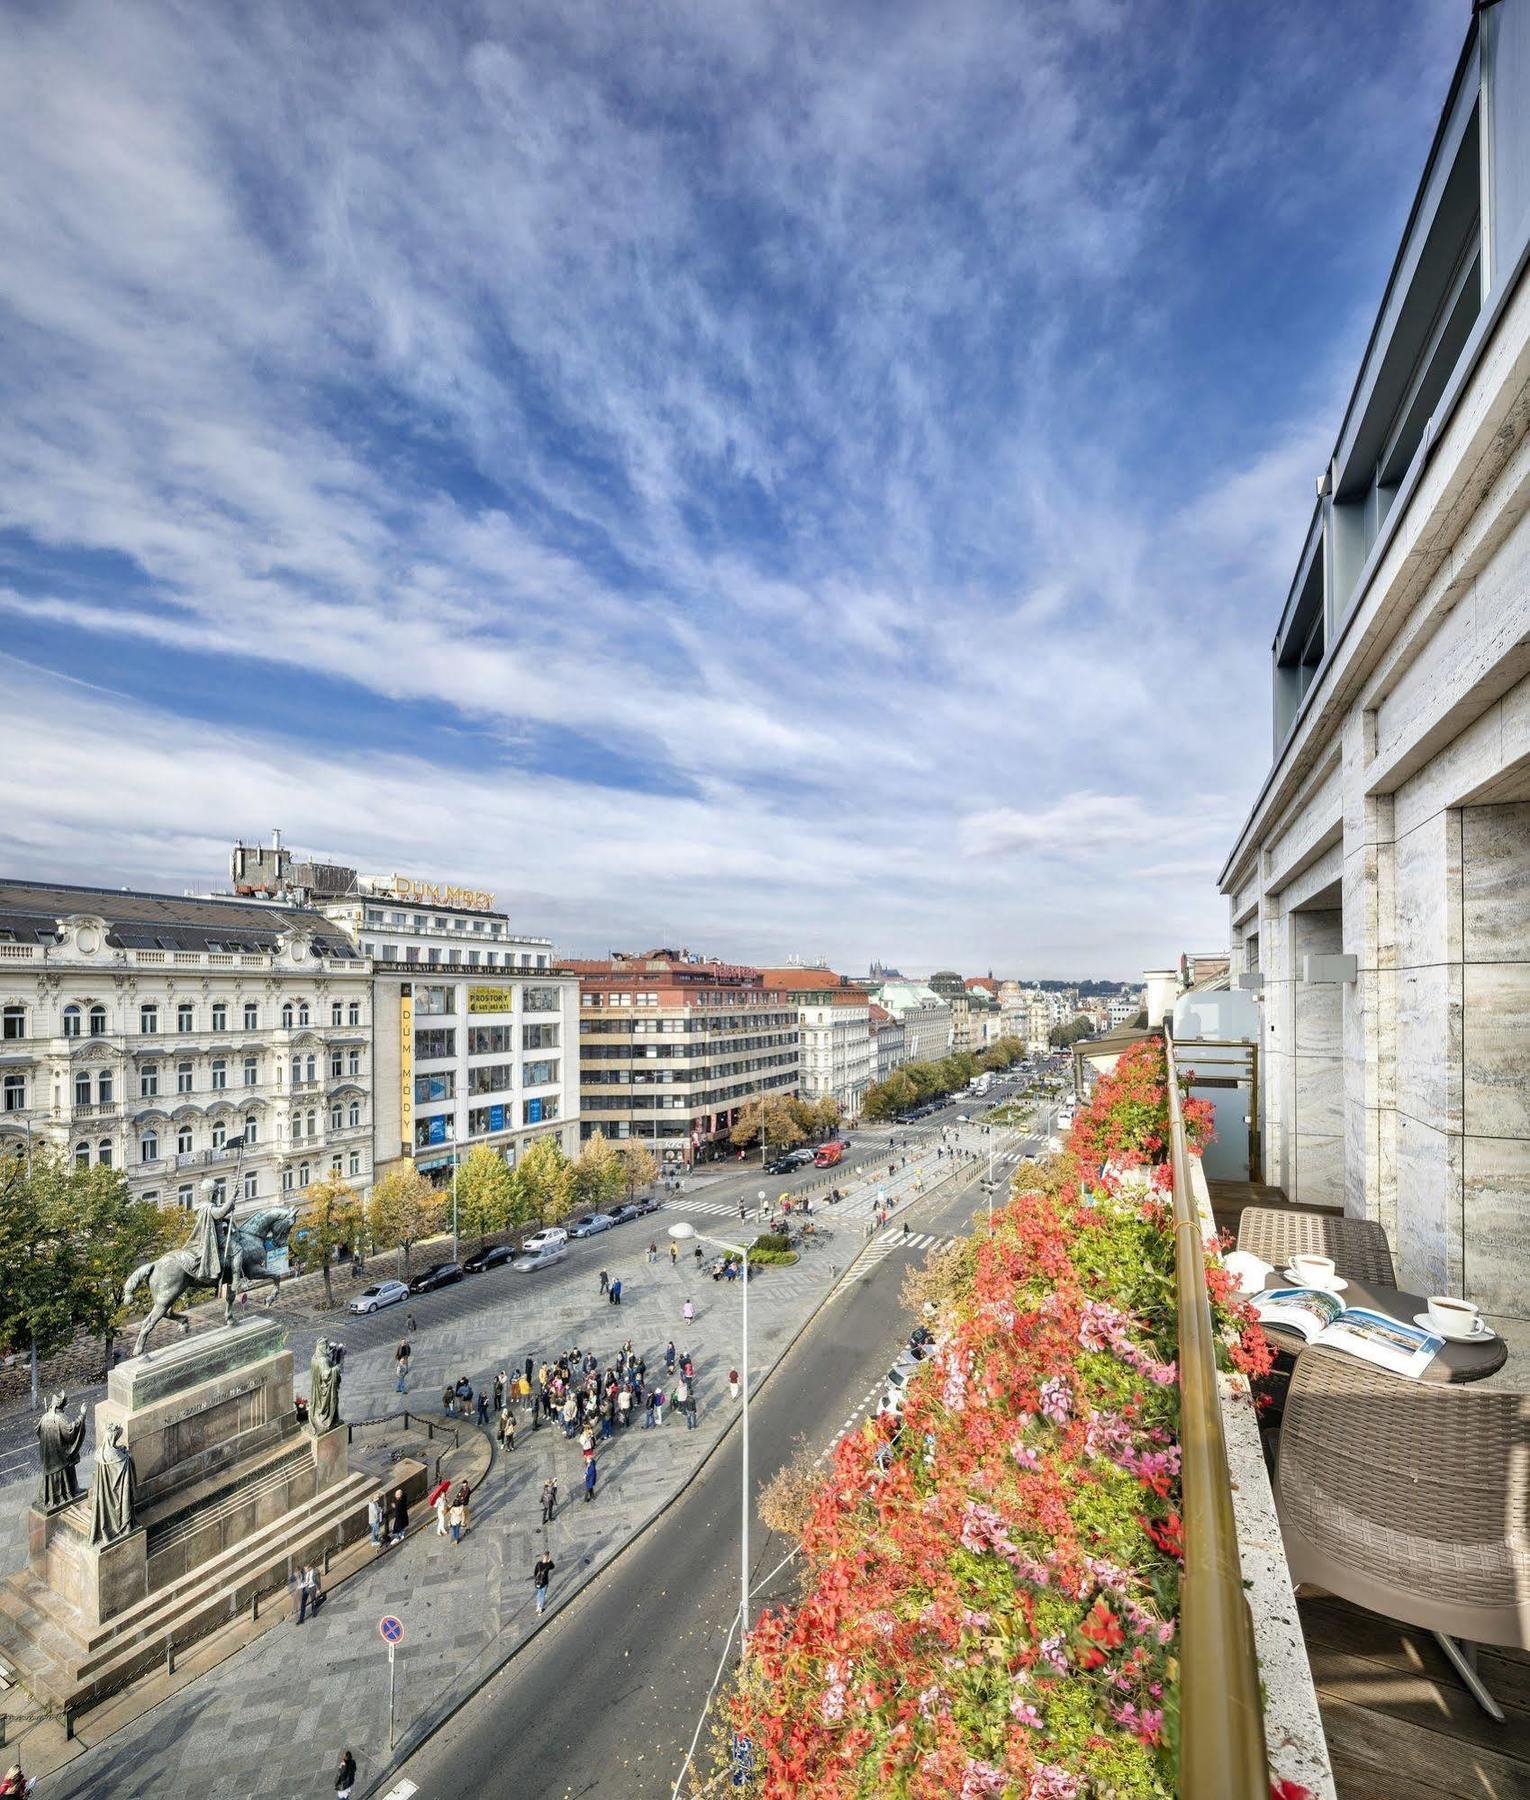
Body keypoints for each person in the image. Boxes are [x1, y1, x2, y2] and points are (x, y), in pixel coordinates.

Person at [533, 1551, 555, 1616]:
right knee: (542, 1595)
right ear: (547, 1557)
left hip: (538, 1582)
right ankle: (540, 1609)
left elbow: (535, 1572)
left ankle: (537, 1606)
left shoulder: (538, 1563)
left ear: (543, 1556)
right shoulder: (547, 1565)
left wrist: (536, 1579)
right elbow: (553, 1566)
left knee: (539, 1593)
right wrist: (550, 1561)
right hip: (544, 1582)